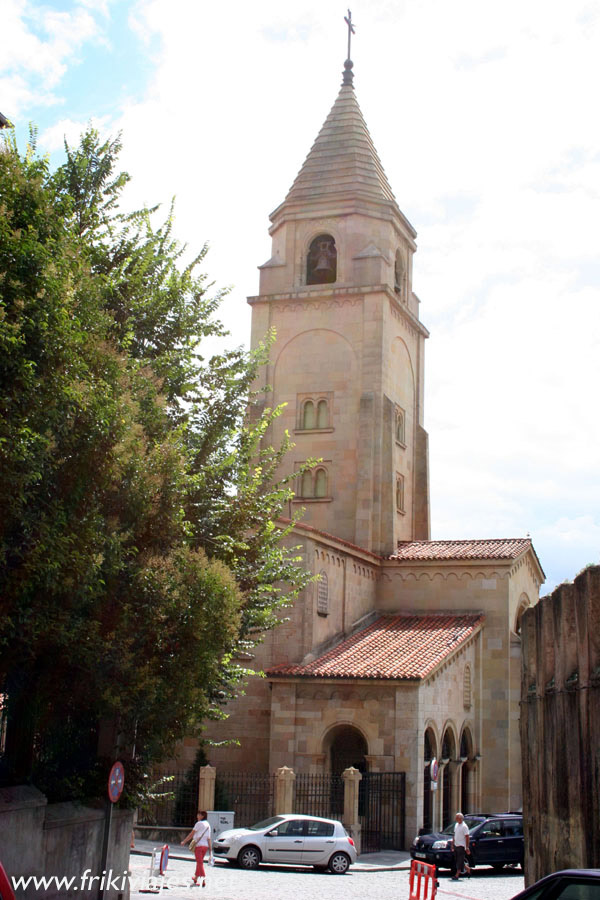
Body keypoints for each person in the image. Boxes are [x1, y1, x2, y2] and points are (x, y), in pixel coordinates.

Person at [182, 810, 212, 887]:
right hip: (205, 846)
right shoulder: (208, 824)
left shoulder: (198, 824)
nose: (197, 815)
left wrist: (184, 841)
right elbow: (209, 838)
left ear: (202, 816)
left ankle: (203, 880)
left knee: (200, 863)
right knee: (200, 862)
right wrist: (210, 850)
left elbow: (191, 834)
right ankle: (195, 878)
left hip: (198, 845)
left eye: (199, 814)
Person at [451, 812, 470, 881]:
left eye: (457, 817)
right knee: (458, 860)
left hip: (461, 845)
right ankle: (467, 868)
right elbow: (454, 835)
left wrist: (467, 847)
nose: (455, 819)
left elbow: (467, 837)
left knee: (460, 860)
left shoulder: (464, 826)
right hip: (456, 844)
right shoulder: (456, 825)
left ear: (460, 818)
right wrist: (452, 844)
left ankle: (457, 875)